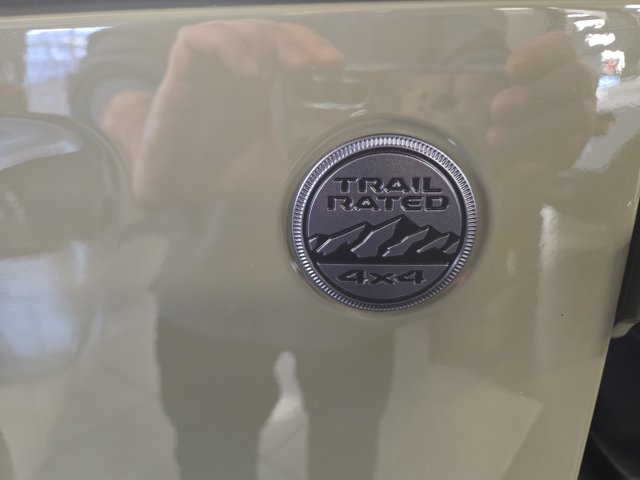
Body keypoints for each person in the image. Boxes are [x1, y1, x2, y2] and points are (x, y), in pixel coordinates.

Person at [69, 14, 597, 480]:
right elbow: (114, 56)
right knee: (215, 459)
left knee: (343, 458)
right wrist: (141, 132)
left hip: (353, 305)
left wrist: (529, 109)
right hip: (213, 295)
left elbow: (484, 62)